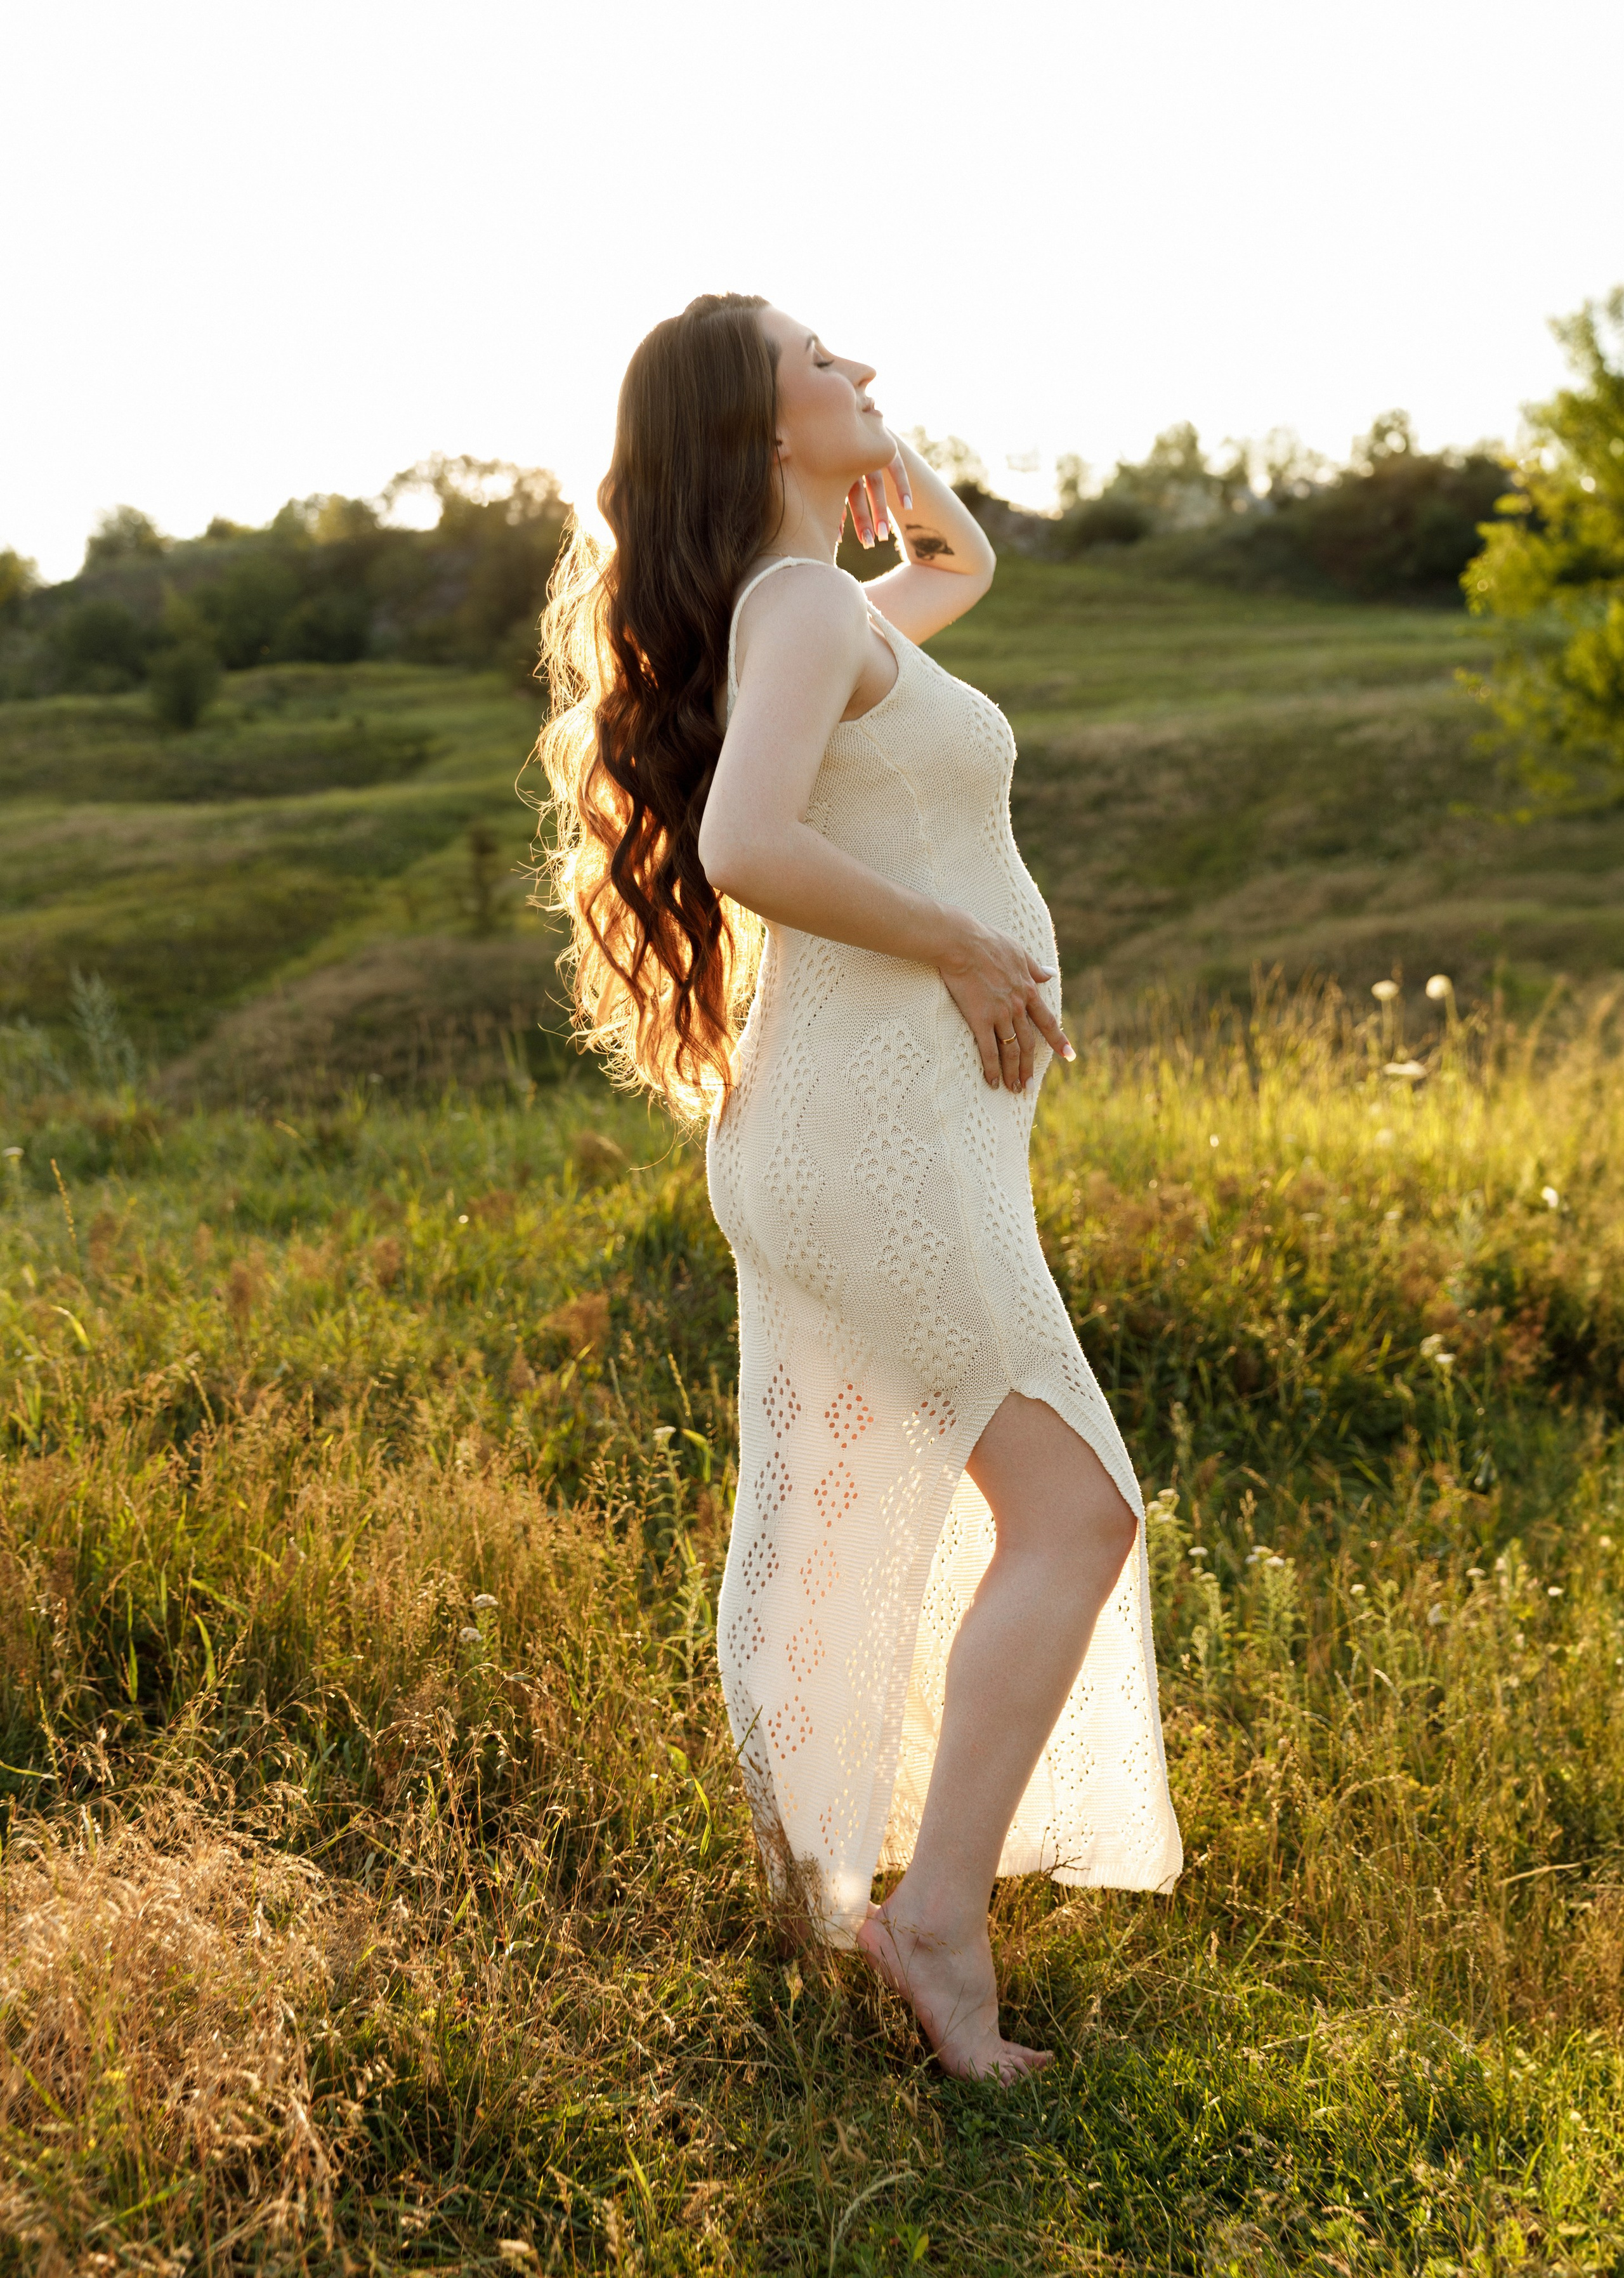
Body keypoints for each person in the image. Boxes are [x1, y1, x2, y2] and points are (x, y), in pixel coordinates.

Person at [536, 292, 1181, 2083]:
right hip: (867, 1128)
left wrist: (902, 475)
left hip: (864, 1128)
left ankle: (828, 1878)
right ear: (757, 435)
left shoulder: (814, 608)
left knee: (853, 1505)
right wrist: (967, 943)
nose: (871, 378)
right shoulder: (803, 605)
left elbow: (961, 564)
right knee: (1076, 1510)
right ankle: (938, 1925)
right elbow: (747, 842)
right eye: (832, 368)